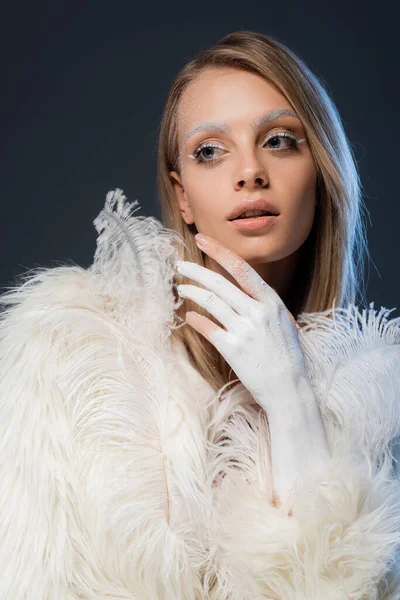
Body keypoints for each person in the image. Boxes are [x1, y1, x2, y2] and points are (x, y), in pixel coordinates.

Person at [0, 30, 399, 600]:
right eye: (210, 150)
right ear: (181, 195)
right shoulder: (67, 350)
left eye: (281, 140)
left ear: (323, 170)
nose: (250, 172)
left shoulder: (367, 407)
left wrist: (291, 400)